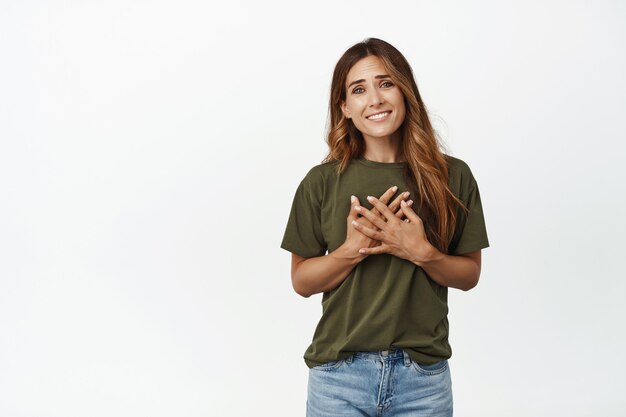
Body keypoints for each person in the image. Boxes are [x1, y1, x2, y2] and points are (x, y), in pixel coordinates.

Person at [280, 37, 490, 417]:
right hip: (338, 378)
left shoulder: (452, 176)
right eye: (358, 90)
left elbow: (469, 274)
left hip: (423, 381)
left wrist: (421, 252)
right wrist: (350, 250)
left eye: (386, 83)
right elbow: (302, 282)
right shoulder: (322, 182)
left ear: (405, 91)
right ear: (344, 107)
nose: (375, 99)